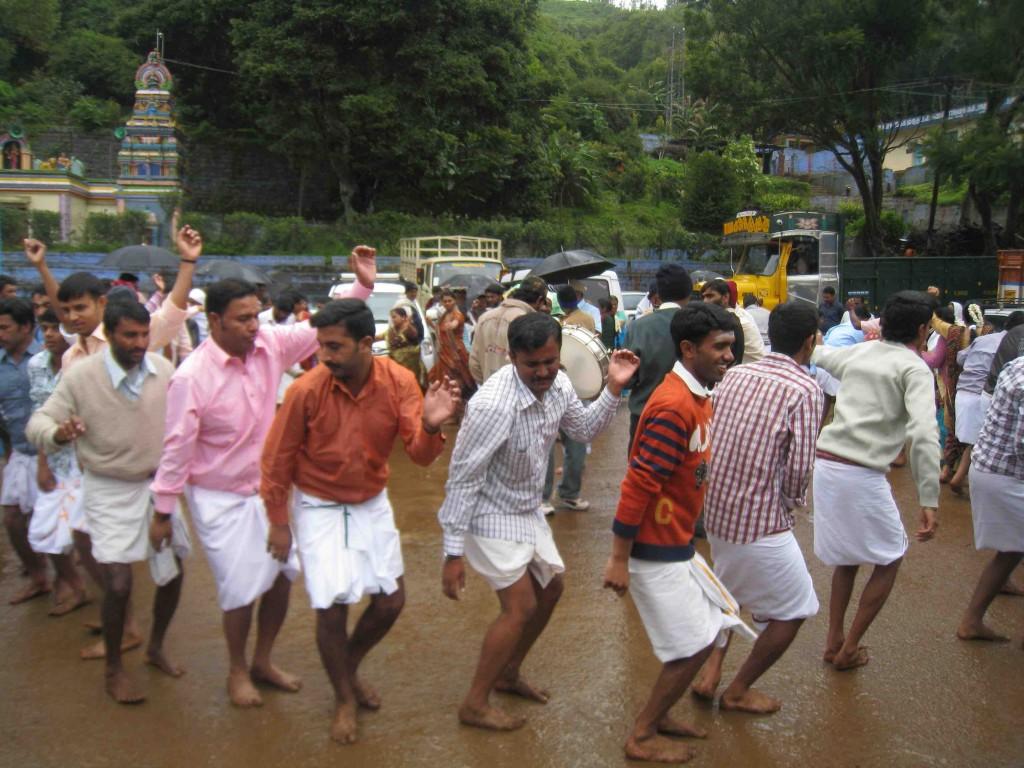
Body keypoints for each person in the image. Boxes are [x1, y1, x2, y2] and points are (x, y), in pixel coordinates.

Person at [151, 252, 375, 708]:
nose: (254, 326)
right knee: (239, 589)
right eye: (242, 319)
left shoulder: (270, 345)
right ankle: (236, 669)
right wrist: (163, 510)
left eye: (256, 315)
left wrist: (362, 286)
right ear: (214, 320)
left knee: (278, 578)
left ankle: (262, 660)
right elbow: (176, 448)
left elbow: (321, 329)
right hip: (217, 497)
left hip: (269, 490)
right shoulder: (191, 377)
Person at [261, 298, 459, 743]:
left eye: (334, 347)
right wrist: (279, 522)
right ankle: (344, 697)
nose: (324, 356)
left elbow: (420, 456)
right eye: (321, 346)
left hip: (371, 501)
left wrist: (430, 425)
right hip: (318, 507)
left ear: (368, 343)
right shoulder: (305, 390)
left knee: (390, 601)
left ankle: (346, 667)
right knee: (331, 607)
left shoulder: (400, 381)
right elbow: (276, 461)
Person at [439, 313, 639, 732]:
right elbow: (463, 477)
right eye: (533, 365)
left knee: (551, 588)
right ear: (512, 358)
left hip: (527, 506)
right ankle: (474, 703)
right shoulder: (492, 405)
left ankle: (508, 673)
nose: (544, 372)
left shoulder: (561, 384)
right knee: (521, 606)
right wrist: (452, 552)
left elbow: (583, 431)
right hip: (488, 511)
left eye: (550, 361)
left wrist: (614, 386)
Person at [603, 303, 753, 764]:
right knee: (693, 647)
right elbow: (638, 483)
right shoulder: (673, 406)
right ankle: (642, 734)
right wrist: (618, 558)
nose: (729, 356)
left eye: (732, 347)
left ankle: (660, 717)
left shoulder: (698, 395)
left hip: (677, 544)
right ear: (688, 349)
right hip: (654, 549)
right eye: (720, 348)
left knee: (712, 629)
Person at [27, 300, 192, 703]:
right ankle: (114, 669)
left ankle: (155, 648)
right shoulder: (82, 375)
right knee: (118, 584)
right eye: (129, 336)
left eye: (143, 335)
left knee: (173, 573)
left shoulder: (163, 370)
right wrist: (60, 435)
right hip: (107, 487)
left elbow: (181, 427)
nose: (139, 343)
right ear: (111, 334)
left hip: (156, 487)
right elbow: (38, 423)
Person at [694, 303, 823, 714]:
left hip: (715, 509)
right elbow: (799, 468)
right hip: (758, 519)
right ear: (810, 341)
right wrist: (788, 507)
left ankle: (711, 671)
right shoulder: (805, 389)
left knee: (731, 591)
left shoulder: (735, 375)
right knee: (798, 608)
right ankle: (737, 689)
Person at [810, 290, 939, 671]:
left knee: (848, 560)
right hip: (860, 471)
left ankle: (834, 640)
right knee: (891, 555)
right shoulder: (914, 368)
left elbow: (819, 355)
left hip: (828, 464)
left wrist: (808, 342)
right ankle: (848, 648)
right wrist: (929, 499)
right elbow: (923, 433)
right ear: (921, 329)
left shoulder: (860, 353)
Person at [957, 357, 1024, 643]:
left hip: (988, 466)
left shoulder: (1018, 364)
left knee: (1012, 549)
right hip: (1008, 474)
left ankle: (972, 621)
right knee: (1012, 548)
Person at [26, 308, 89, 615]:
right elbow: (41, 417)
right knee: (46, 532)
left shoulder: (86, 366)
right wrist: (42, 462)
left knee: (89, 536)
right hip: (58, 461)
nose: (49, 334)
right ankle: (76, 585)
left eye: (55, 328)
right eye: (45, 327)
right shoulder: (36, 366)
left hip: (89, 464)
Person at [0, 297, 48, 604]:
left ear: (27, 327)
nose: (0, 333)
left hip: (53, 454)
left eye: (4, 327)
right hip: (19, 452)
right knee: (13, 519)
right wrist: (8, 457)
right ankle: (38, 576)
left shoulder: (47, 359)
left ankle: (74, 582)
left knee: (59, 522)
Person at [950, 311, 1023, 492]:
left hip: (969, 391)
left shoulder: (985, 339)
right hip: (992, 395)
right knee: (981, 440)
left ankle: (957, 475)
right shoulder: (1016, 344)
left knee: (975, 440)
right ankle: (959, 477)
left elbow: (961, 358)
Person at [625, 264, 692, 450]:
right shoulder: (698, 326)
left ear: (658, 295)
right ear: (689, 292)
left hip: (644, 418)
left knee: (640, 475)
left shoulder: (638, 327)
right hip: (686, 418)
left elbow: (627, 379)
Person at [469, 277, 547, 385]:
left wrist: (487, 385)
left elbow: (474, 364)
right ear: (539, 300)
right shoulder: (528, 322)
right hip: (518, 394)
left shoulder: (484, 318)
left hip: (489, 391)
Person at [701, 279, 761, 363]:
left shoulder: (731, 321)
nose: (705, 301)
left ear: (726, 297)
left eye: (710, 296)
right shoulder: (741, 313)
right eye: (703, 297)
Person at [429, 288, 475, 397]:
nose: (447, 303)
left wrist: (448, 325)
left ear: (454, 300)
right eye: (444, 301)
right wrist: (431, 323)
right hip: (444, 350)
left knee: (458, 376)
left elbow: (453, 325)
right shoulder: (444, 314)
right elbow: (440, 330)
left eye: (449, 300)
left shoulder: (457, 314)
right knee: (441, 376)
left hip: (455, 350)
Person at [382, 304, 422, 380]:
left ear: (403, 317)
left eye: (394, 317)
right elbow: (378, 337)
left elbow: (414, 335)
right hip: (395, 367)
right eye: (391, 317)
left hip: (410, 368)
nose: (392, 319)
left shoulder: (409, 329)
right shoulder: (391, 331)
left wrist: (408, 324)